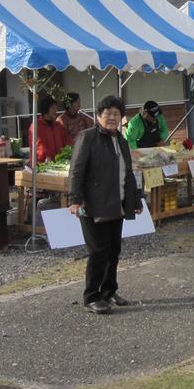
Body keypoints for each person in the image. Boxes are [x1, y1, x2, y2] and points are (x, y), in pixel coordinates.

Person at [69, 95, 141, 314]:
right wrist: (75, 199)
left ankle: (109, 291)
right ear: (99, 115)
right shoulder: (87, 137)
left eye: (116, 114)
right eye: (107, 113)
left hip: (116, 203)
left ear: (121, 117)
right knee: (98, 251)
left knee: (113, 250)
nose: (112, 117)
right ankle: (91, 296)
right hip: (93, 204)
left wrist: (135, 199)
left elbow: (128, 173)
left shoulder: (121, 140)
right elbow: (76, 170)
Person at [29, 95, 73, 166]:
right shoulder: (36, 126)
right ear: (45, 109)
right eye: (53, 108)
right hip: (41, 165)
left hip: (59, 163)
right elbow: (39, 145)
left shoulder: (58, 125)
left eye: (56, 107)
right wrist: (47, 156)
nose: (56, 110)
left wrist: (70, 151)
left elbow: (67, 141)